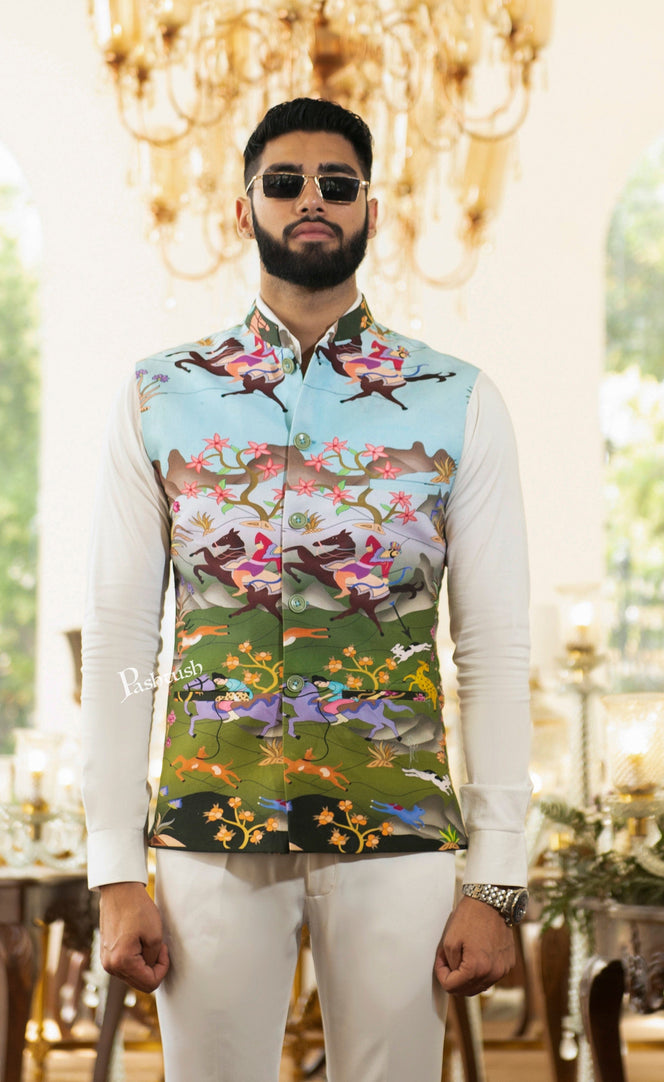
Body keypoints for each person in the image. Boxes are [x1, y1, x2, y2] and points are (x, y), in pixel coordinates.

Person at [82, 97, 531, 1082]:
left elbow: (493, 650)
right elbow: (119, 641)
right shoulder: (159, 394)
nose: (311, 199)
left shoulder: (457, 400)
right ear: (245, 207)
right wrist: (113, 867)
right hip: (210, 824)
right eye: (285, 182)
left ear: (372, 208)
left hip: (397, 828)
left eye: (338, 182)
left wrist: (497, 878)